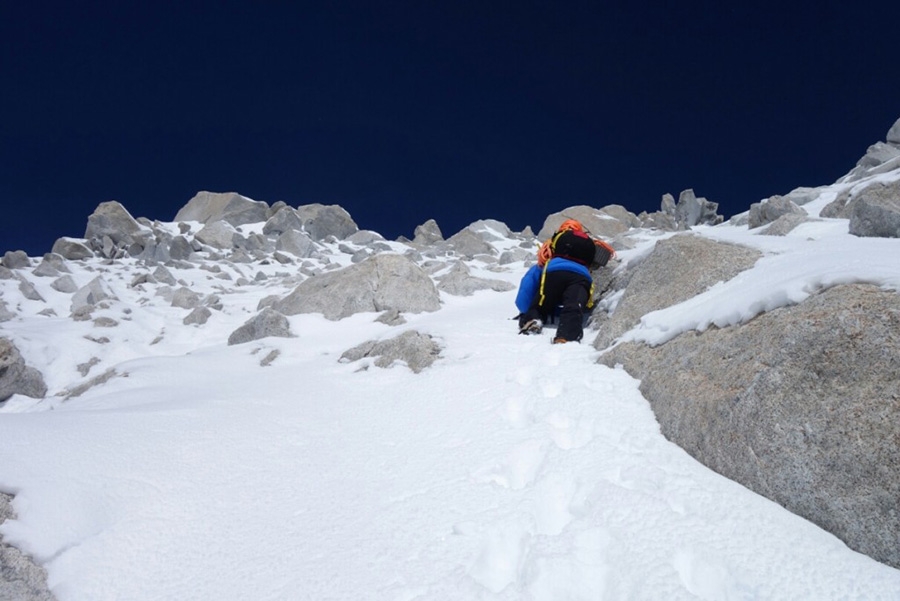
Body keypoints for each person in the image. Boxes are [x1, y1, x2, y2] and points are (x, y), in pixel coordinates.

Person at [515, 219, 615, 344]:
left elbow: (529, 282)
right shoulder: (589, 243)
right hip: (581, 276)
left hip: (553, 272)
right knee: (573, 305)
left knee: (541, 303)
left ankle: (533, 320)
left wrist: (526, 308)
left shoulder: (554, 243)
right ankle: (567, 335)